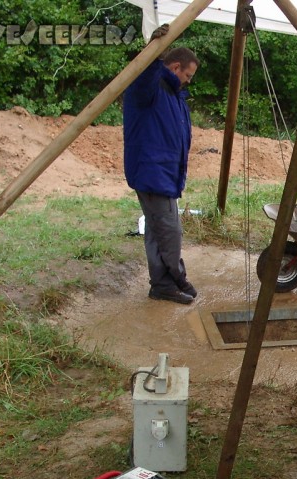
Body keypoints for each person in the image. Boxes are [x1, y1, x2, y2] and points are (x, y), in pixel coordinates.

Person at [123, 24, 199, 304]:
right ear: (175, 66)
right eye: (187, 75)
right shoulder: (150, 88)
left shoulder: (173, 95)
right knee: (169, 231)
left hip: (163, 173)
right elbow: (143, 73)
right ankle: (175, 279)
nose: (188, 81)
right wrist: (153, 52)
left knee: (157, 231)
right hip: (152, 173)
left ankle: (161, 285)